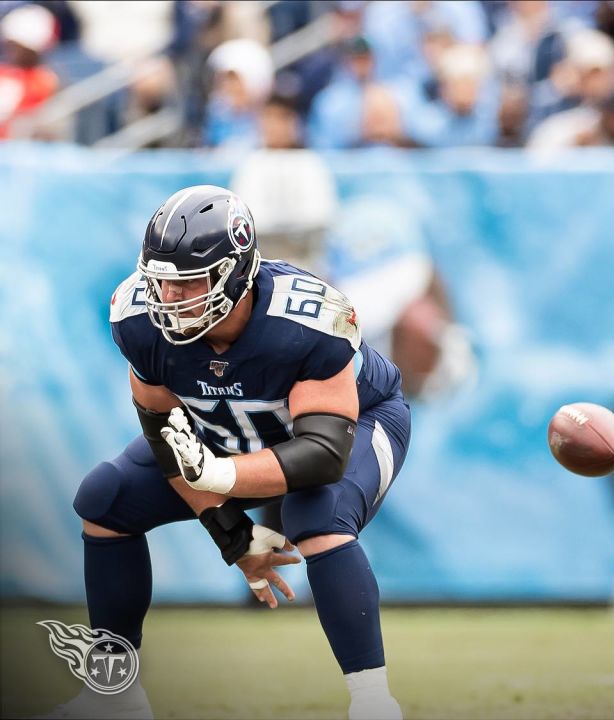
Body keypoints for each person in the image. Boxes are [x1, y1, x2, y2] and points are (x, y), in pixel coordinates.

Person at [48, 186, 410, 720]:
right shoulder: (138, 317)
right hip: (225, 431)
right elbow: (163, 430)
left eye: (187, 281)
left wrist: (218, 474)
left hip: (351, 424)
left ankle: (374, 703)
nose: (169, 299)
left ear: (236, 272)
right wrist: (231, 532)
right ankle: (114, 695)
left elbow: (323, 453)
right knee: (105, 498)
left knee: (317, 516)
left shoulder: (307, 319)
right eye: (161, 282)